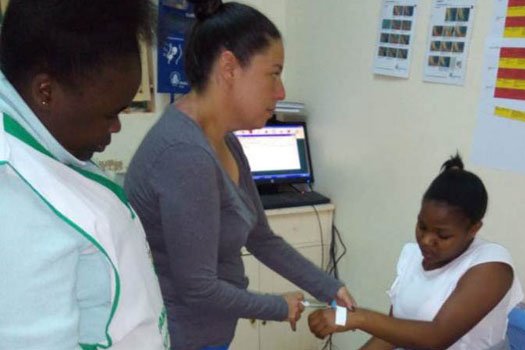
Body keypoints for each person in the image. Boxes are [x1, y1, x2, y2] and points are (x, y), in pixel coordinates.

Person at [124, 1, 355, 349]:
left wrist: (328, 286)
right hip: (180, 337)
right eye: (273, 73)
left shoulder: (226, 140)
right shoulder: (185, 154)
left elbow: (261, 238)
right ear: (229, 67)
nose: (281, 92)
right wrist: (279, 306)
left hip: (211, 333)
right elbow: (198, 287)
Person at [0, 1, 169, 349]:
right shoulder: (12, 198)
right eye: (110, 114)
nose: (117, 126)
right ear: (46, 91)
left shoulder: (43, 147)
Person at [309, 154, 524, 350]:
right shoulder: (412, 256)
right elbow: (393, 332)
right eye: (422, 226)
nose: (426, 240)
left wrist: (357, 319)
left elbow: (436, 338)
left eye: (443, 236)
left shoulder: (492, 266)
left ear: (474, 229)